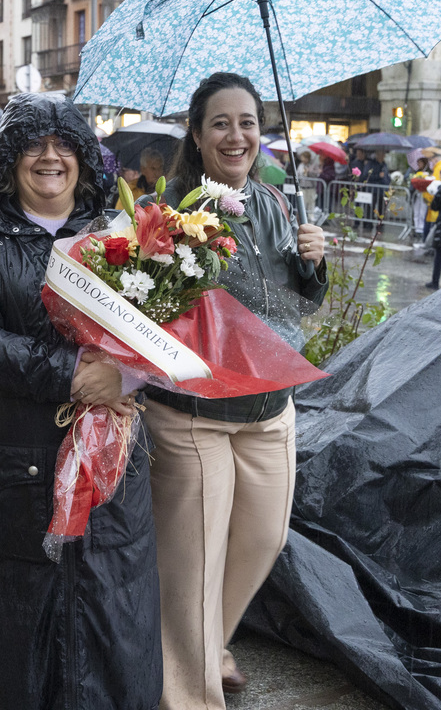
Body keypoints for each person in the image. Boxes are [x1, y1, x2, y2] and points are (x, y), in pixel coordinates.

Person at [0, 93, 162, 710]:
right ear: (10, 159)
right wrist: (73, 374)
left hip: (111, 471)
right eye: (34, 143)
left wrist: (130, 376)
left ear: (85, 160)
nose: (49, 156)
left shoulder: (122, 235)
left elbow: (167, 336)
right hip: (18, 471)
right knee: (20, 638)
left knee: (113, 626)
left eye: (64, 142)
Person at [143, 72, 327, 708]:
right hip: (194, 413)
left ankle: (205, 643)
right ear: (196, 134)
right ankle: (188, 695)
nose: (236, 134)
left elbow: (299, 306)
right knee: (192, 568)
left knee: (263, 539)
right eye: (220, 123)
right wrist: (186, 250)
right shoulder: (171, 215)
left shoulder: (276, 204)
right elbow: (155, 313)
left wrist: (314, 261)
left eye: (247, 121)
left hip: (271, 405)